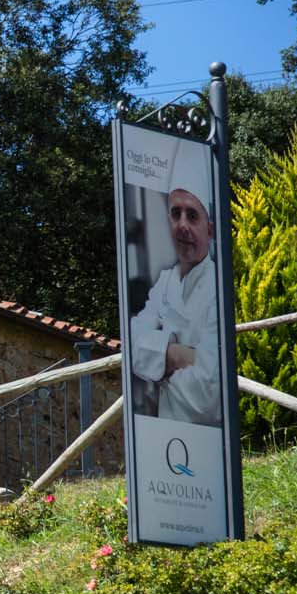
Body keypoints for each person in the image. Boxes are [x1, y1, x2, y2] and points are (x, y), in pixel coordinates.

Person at [126, 167, 224, 428]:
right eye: (175, 214)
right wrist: (181, 354)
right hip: (166, 429)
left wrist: (157, 365)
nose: (182, 225)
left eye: (192, 216)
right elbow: (131, 342)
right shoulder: (165, 282)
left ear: (210, 229)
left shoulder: (217, 286)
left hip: (207, 437)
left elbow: (210, 390)